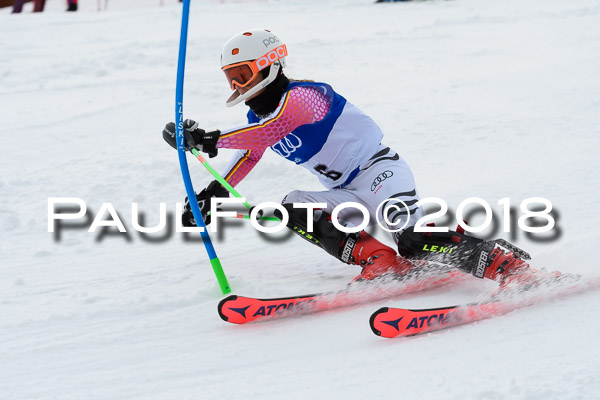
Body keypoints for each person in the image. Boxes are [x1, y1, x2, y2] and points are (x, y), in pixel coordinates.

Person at [162, 29, 536, 285]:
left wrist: (207, 139)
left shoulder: (306, 96)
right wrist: (215, 190)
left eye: (242, 74)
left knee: (413, 240)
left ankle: (509, 269)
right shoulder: (254, 118)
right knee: (293, 207)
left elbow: (272, 131)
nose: (238, 87)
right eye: (231, 79)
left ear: (269, 63)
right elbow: (251, 151)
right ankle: (379, 261)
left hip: (379, 174)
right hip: (345, 190)